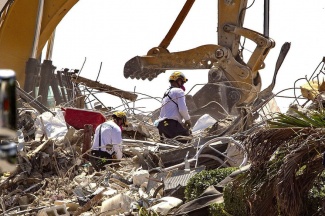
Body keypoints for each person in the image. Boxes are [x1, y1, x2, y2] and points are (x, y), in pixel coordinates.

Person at [156, 71, 192, 143]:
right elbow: (182, 109)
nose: (182, 84)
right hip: (170, 124)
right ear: (178, 80)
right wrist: (187, 120)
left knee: (169, 146)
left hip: (161, 126)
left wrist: (181, 124)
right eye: (182, 82)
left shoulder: (166, 92)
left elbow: (170, 112)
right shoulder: (179, 91)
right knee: (188, 140)